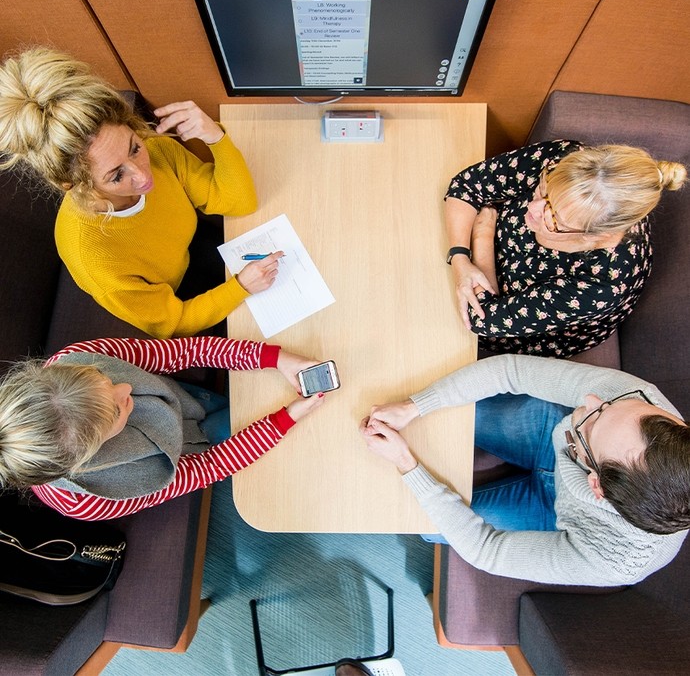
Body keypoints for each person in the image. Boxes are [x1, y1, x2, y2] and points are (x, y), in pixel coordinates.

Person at [0, 47, 277, 339]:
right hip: (174, 300)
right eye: (117, 175)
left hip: (191, 253)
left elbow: (238, 201)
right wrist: (241, 288)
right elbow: (174, 323)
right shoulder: (95, 258)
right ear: (74, 185)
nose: (144, 176)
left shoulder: (156, 149)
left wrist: (216, 138)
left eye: (134, 148)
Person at [360, 354, 690, 586]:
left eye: (595, 419)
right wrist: (416, 405)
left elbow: (485, 550)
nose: (591, 399)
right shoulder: (642, 403)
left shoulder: (616, 562)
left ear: (597, 486)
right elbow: (511, 371)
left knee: (428, 526)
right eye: (610, 405)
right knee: (456, 410)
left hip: (556, 516)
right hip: (549, 437)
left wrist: (408, 465)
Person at [0, 335, 325, 521]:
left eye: (103, 377)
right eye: (116, 410)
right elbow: (209, 467)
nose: (126, 388)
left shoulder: (73, 358)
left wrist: (275, 358)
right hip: (198, 450)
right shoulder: (89, 501)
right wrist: (283, 420)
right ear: (90, 454)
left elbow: (184, 352)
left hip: (185, 401)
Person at [445, 140, 687, 357]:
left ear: (596, 236)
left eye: (554, 217)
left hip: (527, 325)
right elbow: (466, 185)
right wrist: (459, 257)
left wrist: (483, 237)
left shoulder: (603, 284)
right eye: (543, 190)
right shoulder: (564, 160)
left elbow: (482, 320)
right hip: (477, 269)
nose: (533, 208)